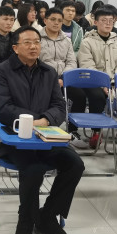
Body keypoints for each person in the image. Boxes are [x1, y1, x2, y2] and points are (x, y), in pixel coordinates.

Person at [0, 26, 85, 234]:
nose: (34, 46)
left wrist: (46, 120)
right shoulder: (2, 71)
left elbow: (59, 106)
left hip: (46, 137)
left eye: (36, 42)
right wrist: (33, 120)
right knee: (34, 169)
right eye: (27, 42)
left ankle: (47, 216)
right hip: (15, 138)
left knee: (75, 164)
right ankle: (25, 218)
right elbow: (2, 108)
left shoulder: (49, 72)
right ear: (15, 48)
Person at [77, 7, 117, 149]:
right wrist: (103, 84)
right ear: (96, 22)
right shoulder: (87, 42)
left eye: (111, 21)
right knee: (97, 96)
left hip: (114, 82)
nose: (108, 23)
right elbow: (87, 65)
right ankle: (96, 132)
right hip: (93, 82)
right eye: (104, 20)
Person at [39, 8, 87, 148]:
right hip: (44, 78)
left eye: (59, 20)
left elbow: (71, 61)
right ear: (45, 20)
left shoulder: (66, 40)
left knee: (79, 95)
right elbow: (37, 61)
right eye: (53, 19)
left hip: (63, 78)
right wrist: (53, 78)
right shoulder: (37, 38)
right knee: (46, 97)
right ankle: (43, 128)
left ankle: (72, 131)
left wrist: (63, 78)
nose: (56, 23)